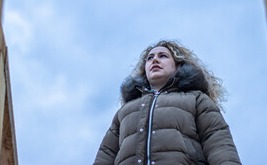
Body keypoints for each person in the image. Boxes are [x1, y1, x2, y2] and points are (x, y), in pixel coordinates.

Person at [93, 40, 241, 165]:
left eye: (162, 56)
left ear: (178, 65)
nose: (155, 60)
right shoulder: (126, 111)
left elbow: (218, 144)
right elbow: (107, 153)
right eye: (150, 58)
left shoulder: (196, 99)